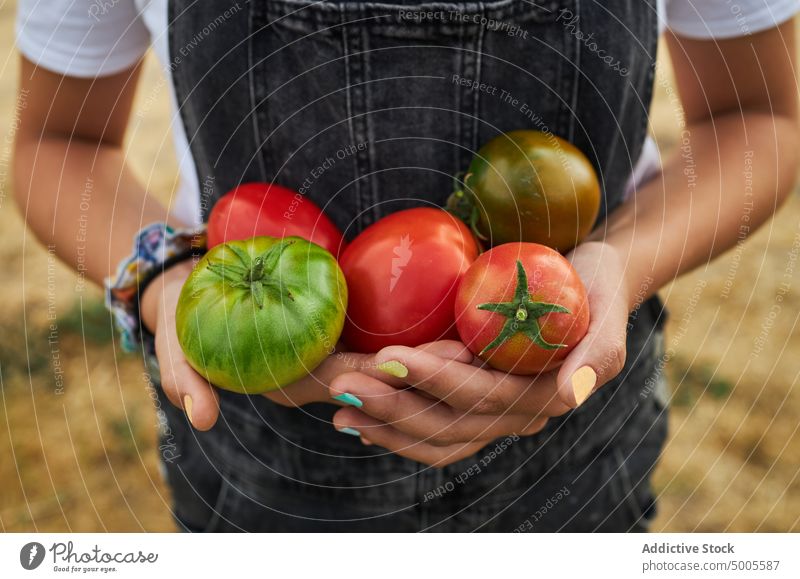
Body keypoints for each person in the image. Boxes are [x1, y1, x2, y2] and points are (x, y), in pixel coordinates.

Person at [14, 0, 798, 532]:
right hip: (259, 464)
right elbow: (60, 146)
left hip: (577, 455)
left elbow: (759, 116)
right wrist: (164, 283)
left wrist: (618, 266)